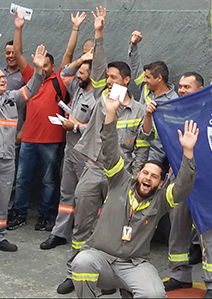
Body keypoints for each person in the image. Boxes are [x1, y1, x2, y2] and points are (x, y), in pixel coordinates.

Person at [56, 7, 150, 295]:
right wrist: (98, 33)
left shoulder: (140, 110)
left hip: (121, 177)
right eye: (106, 77)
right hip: (94, 167)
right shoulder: (101, 97)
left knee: (116, 228)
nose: (108, 81)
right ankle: (76, 272)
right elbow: (97, 67)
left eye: (113, 77)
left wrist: (134, 177)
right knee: (82, 223)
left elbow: (143, 148)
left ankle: (113, 277)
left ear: (126, 80)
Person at [70, 96, 199, 298]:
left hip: (133, 264)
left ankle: (128, 289)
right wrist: (110, 114)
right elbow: (110, 150)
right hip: (101, 258)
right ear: (138, 174)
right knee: (81, 262)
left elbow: (183, 187)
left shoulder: (161, 199)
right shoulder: (120, 180)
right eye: (145, 173)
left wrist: (188, 152)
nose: (148, 178)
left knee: (155, 294)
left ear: (160, 182)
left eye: (154, 176)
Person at [164, 22, 212, 299]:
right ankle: (179, 275)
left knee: (208, 232)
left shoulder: (210, 104)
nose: (181, 91)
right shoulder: (172, 109)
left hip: (206, 179)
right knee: (178, 229)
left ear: (200, 89)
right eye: (180, 86)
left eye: (187, 87)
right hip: (179, 178)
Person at [0, 21, 48, 253]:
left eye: (4, 77)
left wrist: (39, 70)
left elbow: (31, 90)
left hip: (6, 159)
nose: (3, 79)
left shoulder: (12, 97)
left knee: (3, 200)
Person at [7, 11, 75, 231]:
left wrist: (74, 29)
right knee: (22, 179)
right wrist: (18, 28)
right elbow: (17, 53)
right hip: (28, 139)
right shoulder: (31, 77)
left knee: (48, 181)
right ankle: (19, 213)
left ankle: (45, 216)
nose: (42, 68)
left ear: (52, 67)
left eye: (46, 65)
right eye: (40, 64)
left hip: (52, 141)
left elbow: (69, 53)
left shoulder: (61, 81)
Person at [42, 12, 98, 250]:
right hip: (71, 150)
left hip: (89, 155)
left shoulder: (100, 95)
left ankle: (87, 238)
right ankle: (59, 233)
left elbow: (99, 129)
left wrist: (74, 125)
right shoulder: (77, 86)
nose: (78, 75)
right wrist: (80, 61)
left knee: (87, 198)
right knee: (66, 194)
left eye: (83, 72)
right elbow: (63, 73)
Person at [128, 31, 178, 167]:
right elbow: (135, 68)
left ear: (159, 78)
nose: (144, 80)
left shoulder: (173, 101)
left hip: (154, 153)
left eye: (148, 77)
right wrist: (133, 46)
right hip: (134, 147)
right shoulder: (146, 88)